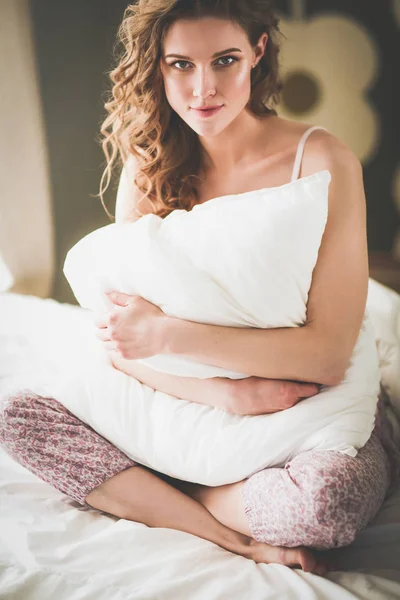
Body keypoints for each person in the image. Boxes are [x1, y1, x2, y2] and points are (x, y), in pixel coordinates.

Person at [1, 0, 399, 576]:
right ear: (157, 67)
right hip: (192, 396)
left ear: (257, 52)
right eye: (181, 65)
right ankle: (229, 532)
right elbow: (123, 338)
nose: (203, 88)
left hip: (303, 400)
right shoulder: (150, 163)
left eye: (225, 60)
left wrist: (170, 332)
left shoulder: (321, 160)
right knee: (20, 415)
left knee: (326, 508)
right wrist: (224, 394)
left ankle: (180, 488)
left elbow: (328, 356)